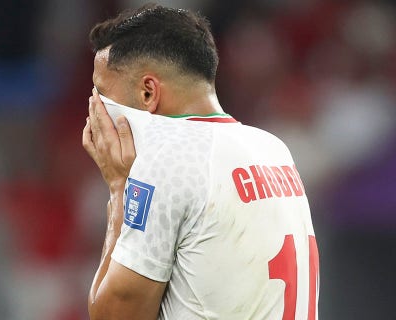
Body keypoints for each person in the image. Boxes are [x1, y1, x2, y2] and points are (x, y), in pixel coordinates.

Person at [82, 5, 320, 320]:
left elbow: (114, 315)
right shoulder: (274, 149)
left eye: (101, 94)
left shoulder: (168, 160)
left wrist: (118, 189)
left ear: (148, 92)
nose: (95, 111)